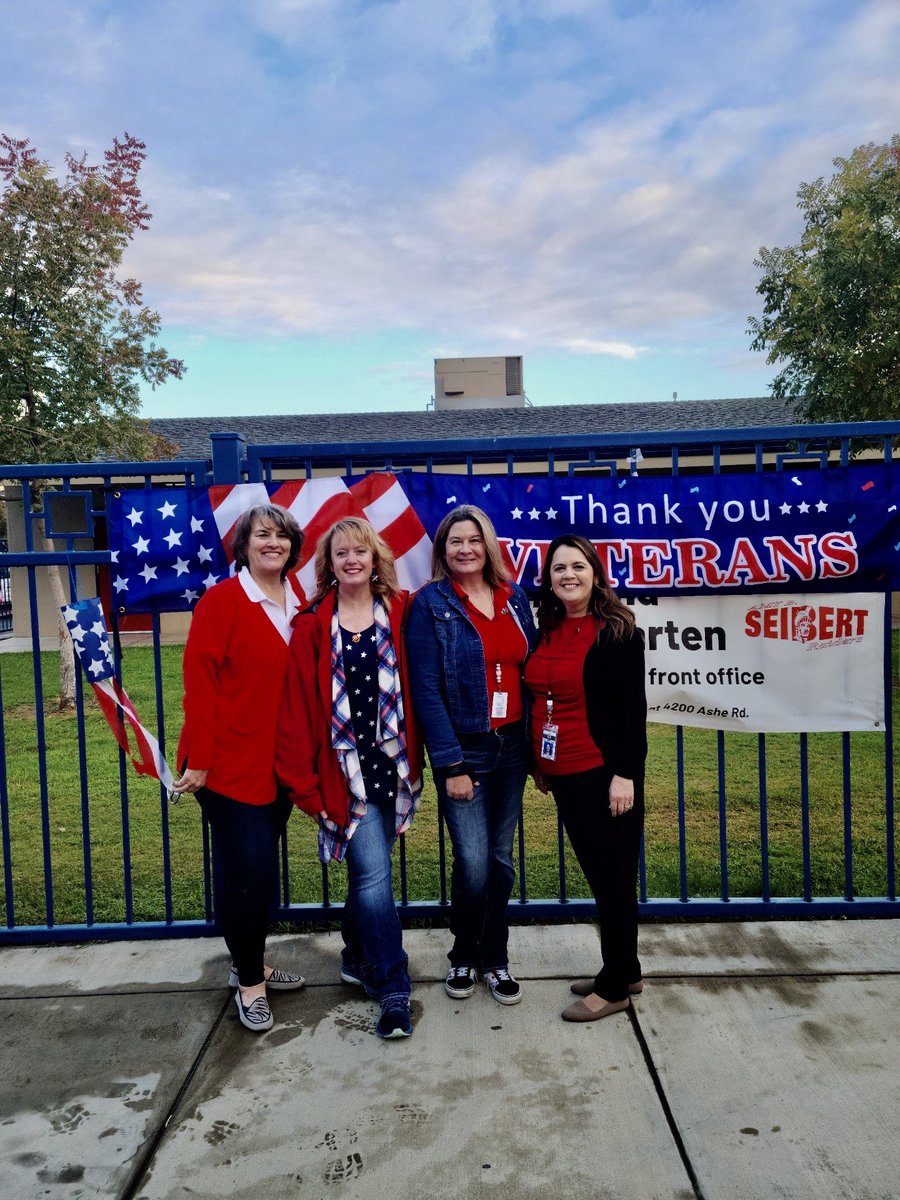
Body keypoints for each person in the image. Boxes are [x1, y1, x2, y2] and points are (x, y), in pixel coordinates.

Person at [276, 518, 423, 1040]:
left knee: (369, 874)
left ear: (375, 558)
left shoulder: (402, 611)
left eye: (361, 551)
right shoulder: (312, 625)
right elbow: (296, 710)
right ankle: (394, 984)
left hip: (393, 766)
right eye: (342, 553)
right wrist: (306, 788)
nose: (352, 560)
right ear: (330, 564)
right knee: (373, 877)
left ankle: (357, 956)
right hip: (343, 774)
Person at [172, 503, 307, 1034]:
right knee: (248, 876)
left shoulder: (299, 599)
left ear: (293, 545)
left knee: (254, 872)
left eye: (282, 535)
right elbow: (199, 683)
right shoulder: (223, 601)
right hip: (228, 765)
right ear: (244, 547)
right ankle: (250, 982)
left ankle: (247, 961)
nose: (273, 543)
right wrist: (201, 760)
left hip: (280, 764)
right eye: (262, 535)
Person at [406, 504, 537, 1006]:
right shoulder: (430, 604)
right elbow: (425, 689)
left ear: (489, 545)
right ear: (443, 549)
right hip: (465, 751)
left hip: (513, 747)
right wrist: (450, 763)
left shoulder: (514, 596)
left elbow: (530, 668)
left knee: (500, 861)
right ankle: (463, 952)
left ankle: (495, 959)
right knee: (474, 861)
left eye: (474, 539)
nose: (466, 549)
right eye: (455, 541)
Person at [524, 534, 647, 1022]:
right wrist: (541, 762)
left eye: (577, 566)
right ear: (549, 579)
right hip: (565, 773)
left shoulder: (617, 631)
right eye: (559, 568)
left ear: (595, 573)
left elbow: (632, 712)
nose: (568, 575)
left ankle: (614, 988)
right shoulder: (549, 627)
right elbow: (543, 698)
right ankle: (626, 969)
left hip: (602, 774)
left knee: (612, 880)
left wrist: (625, 775)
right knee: (604, 875)